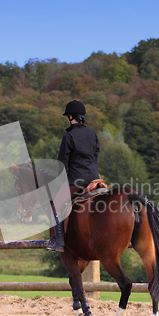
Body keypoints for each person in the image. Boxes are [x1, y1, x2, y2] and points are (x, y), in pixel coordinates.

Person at [47, 99, 100, 252]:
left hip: (76, 182)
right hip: (95, 180)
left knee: (55, 206)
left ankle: (58, 242)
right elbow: (95, 157)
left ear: (71, 116)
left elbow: (62, 164)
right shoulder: (93, 134)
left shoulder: (68, 136)